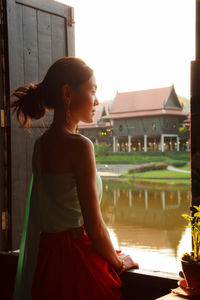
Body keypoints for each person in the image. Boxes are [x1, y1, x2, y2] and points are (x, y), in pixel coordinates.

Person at [10, 56, 139, 300]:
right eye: (92, 90)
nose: (97, 101)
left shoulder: (41, 145)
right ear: (67, 93)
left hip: (48, 265)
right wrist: (119, 263)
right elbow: (96, 227)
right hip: (78, 265)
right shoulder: (80, 146)